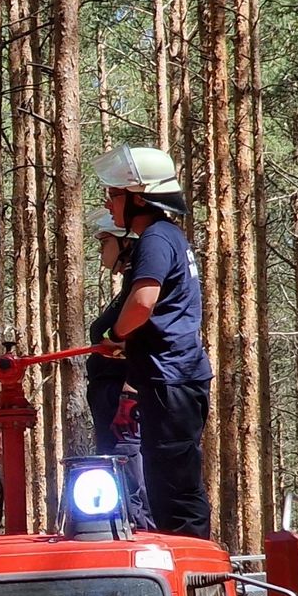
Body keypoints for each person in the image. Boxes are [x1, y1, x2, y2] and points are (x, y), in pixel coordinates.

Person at [95, 145, 213, 539]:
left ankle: (188, 568)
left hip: (171, 381)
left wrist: (116, 335)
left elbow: (143, 302)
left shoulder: (156, 239)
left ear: (138, 197)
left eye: (114, 194)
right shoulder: (167, 237)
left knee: (174, 489)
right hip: (171, 379)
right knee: (169, 484)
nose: (109, 203)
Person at [85, 210, 152, 527]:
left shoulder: (139, 289)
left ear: (126, 243)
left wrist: (129, 394)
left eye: (104, 243)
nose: (100, 251)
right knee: (118, 472)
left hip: (124, 406)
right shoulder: (127, 289)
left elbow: (144, 341)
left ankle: (141, 531)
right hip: (109, 401)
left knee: (129, 474)